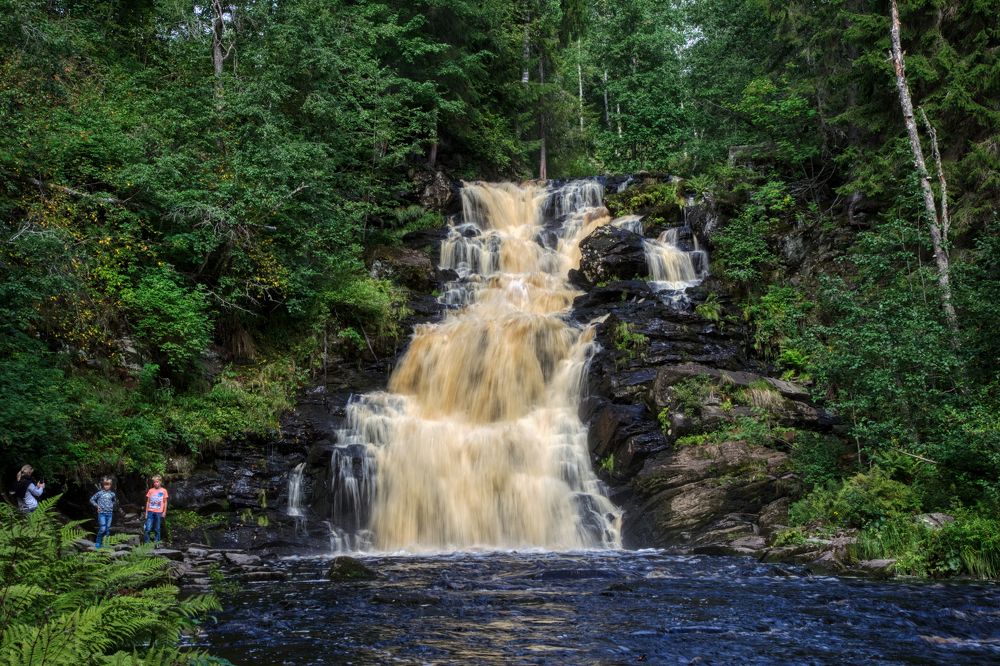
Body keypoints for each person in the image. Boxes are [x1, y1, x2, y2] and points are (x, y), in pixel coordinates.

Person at [89, 476, 117, 549]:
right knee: (103, 528)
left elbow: (114, 501)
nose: (106, 486)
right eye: (105, 484)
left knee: (107, 530)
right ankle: (98, 542)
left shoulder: (112, 494)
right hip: (102, 513)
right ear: (103, 485)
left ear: (110, 485)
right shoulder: (99, 493)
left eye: (108, 484)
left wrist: (111, 505)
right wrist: (97, 506)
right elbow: (91, 499)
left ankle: (106, 543)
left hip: (109, 513)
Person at [142, 475, 169, 544]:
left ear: (160, 482)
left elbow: (165, 502)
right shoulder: (150, 490)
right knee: (148, 528)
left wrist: (164, 512)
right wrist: (146, 512)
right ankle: (146, 543)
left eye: (157, 482)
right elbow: (148, 502)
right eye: (154, 482)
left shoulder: (164, 491)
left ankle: (157, 542)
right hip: (150, 511)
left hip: (159, 512)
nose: (155, 483)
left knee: (157, 528)